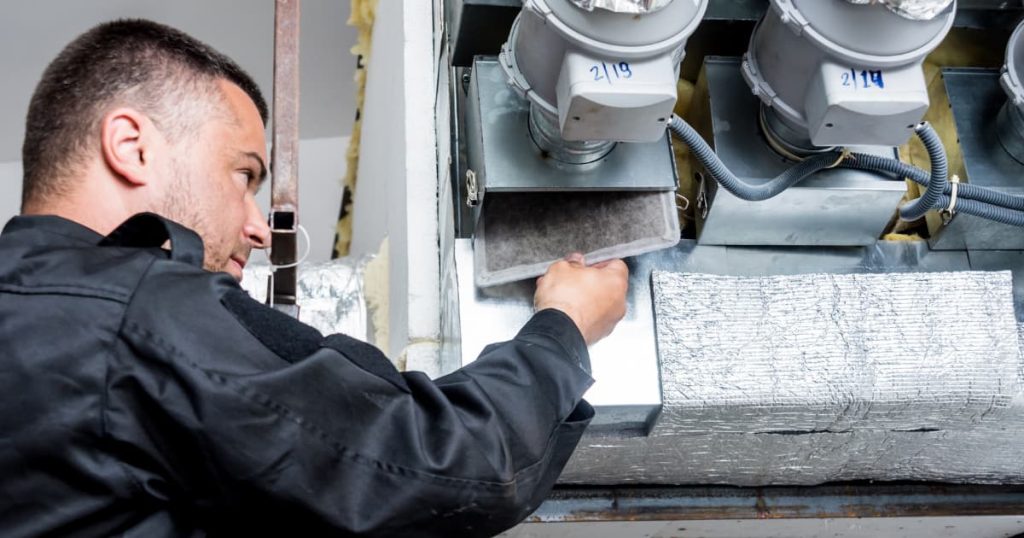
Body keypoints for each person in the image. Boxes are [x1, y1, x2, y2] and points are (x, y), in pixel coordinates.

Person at [0, 18, 629, 538]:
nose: (256, 226)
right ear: (132, 145)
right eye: (244, 175)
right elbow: (443, 462)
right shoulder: (135, 310)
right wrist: (564, 327)